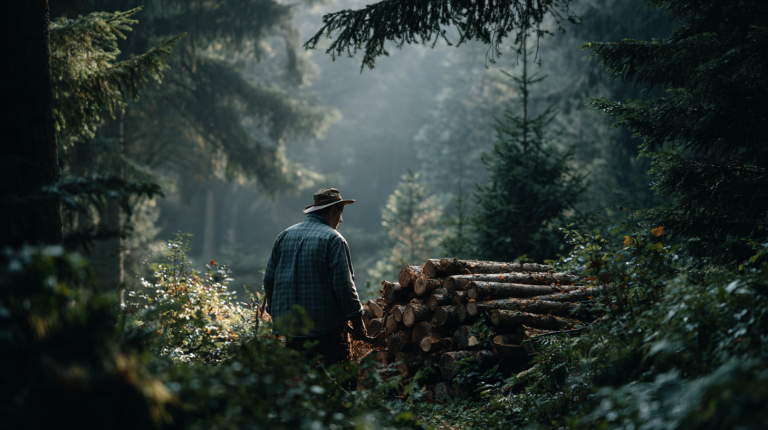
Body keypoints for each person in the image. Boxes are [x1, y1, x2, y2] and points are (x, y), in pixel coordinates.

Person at [263, 188, 370, 365]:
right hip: (327, 330)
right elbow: (344, 286)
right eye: (340, 214)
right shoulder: (334, 239)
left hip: (291, 330)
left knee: (299, 376)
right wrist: (358, 323)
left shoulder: (284, 236)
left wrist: (276, 313)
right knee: (339, 377)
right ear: (332, 211)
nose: (341, 220)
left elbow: (269, 279)